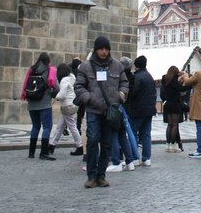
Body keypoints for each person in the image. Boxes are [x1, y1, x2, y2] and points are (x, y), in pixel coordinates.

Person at [75, 35, 129, 188]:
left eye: (106, 49)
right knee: (92, 141)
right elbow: (79, 87)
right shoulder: (85, 67)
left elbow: (124, 83)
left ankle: (101, 175)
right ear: (96, 50)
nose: (104, 52)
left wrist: (122, 94)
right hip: (93, 110)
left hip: (110, 111)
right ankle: (91, 176)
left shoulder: (117, 66)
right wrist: (89, 98)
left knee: (106, 144)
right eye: (101, 49)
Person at [21, 52, 59, 161]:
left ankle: (31, 152)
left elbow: (25, 85)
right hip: (45, 104)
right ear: (48, 61)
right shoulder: (50, 70)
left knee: (35, 126)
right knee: (47, 127)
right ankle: (43, 152)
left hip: (32, 103)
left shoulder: (31, 69)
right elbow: (57, 87)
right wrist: (52, 95)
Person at [107, 56, 139, 172]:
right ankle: (130, 161)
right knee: (123, 135)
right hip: (124, 107)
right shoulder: (128, 76)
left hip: (115, 107)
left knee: (115, 135)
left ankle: (116, 162)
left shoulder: (112, 75)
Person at [49, 63, 84, 157]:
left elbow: (62, 95)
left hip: (67, 105)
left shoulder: (64, 80)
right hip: (71, 105)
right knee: (60, 126)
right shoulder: (72, 77)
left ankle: (80, 146)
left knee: (72, 127)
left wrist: (55, 97)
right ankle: (52, 144)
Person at [127, 55, 156, 166]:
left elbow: (133, 92)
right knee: (146, 134)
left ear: (136, 65)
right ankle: (146, 158)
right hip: (149, 109)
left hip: (138, 109)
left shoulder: (137, 77)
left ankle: (135, 157)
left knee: (133, 132)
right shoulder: (149, 76)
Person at [160, 65, 185, 152]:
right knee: (175, 125)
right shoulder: (174, 81)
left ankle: (167, 144)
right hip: (174, 104)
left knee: (170, 124)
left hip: (167, 104)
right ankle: (173, 145)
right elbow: (181, 89)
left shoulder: (165, 79)